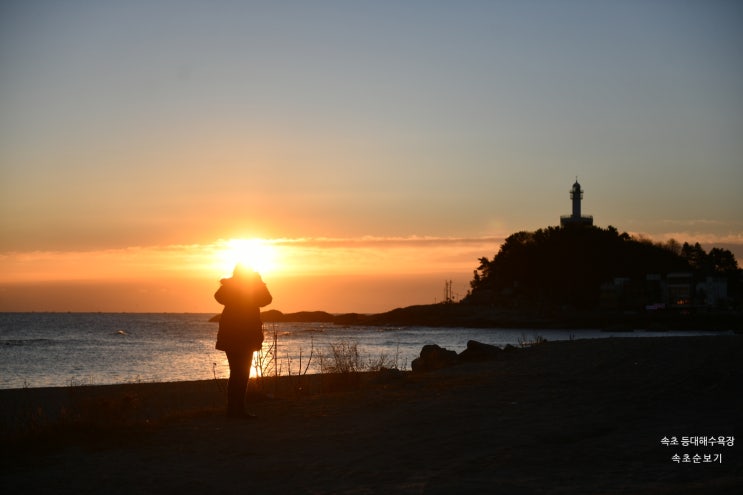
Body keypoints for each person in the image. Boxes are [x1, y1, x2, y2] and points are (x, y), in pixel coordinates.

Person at [214, 264, 273, 418]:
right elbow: (266, 299)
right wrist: (257, 284)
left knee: (238, 372)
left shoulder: (233, 286)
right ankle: (236, 410)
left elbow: (267, 299)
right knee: (240, 373)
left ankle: (235, 409)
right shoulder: (238, 286)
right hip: (242, 334)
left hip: (236, 334)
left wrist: (257, 284)